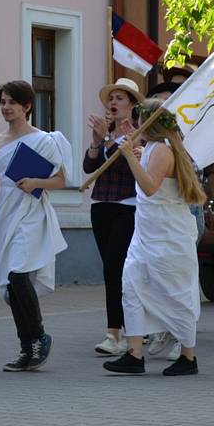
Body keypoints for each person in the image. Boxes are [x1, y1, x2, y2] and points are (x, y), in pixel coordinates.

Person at [0, 80, 71, 371]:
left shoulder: (44, 141)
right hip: (5, 215)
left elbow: (61, 180)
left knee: (19, 276)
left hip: (31, 214)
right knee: (11, 283)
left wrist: (36, 182)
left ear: (27, 106)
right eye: (3, 102)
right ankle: (27, 346)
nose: (6, 107)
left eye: (12, 102)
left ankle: (39, 338)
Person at [102, 99, 207, 375]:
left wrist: (128, 157)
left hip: (167, 236)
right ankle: (134, 354)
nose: (135, 124)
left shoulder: (162, 150)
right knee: (131, 286)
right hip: (148, 234)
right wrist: (137, 157)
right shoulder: (152, 149)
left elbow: (149, 187)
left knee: (175, 293)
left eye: (139, 119)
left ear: (151, 123)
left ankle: (188, 356)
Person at [83, 77, 143, 356]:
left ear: (132, 104)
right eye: (111, 98)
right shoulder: (107, 133)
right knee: (110, 269)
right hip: (101, 203)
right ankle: (117, 331)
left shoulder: (138, 134)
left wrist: (106, 138)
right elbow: (89, 166)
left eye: (120, 98)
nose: (113, 103)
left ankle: (116, 332)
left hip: (127, 206)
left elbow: (124, 168)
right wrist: (96, 142)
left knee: (116, 269)